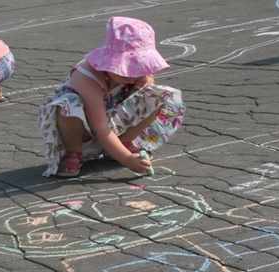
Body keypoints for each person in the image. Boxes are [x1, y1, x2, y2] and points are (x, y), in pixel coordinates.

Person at [38, 16, 185, 177]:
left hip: (111, 126)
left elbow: (146, 87)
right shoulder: (87, 77)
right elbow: (100, 127)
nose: (132, 76)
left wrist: (145, 81)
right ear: (110, 61)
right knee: (69, 104)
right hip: (82, 131)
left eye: (137, 70)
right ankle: (73, 152)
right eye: (126, 70)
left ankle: (122, 142)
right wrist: (127, 159)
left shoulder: (135, 75)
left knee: (156, 95)